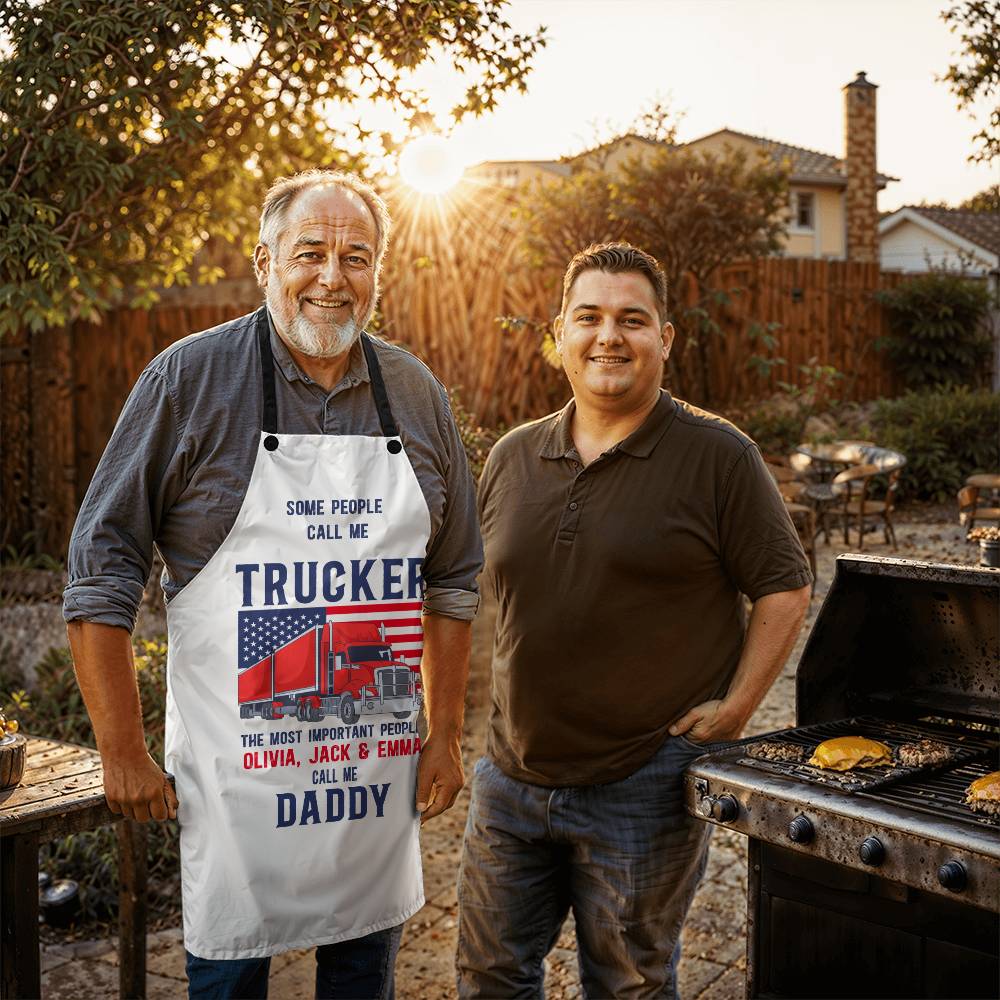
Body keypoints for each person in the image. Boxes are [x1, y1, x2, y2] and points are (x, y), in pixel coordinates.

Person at [64, 169, 483, 999]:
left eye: (356, 257)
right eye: (311, 253)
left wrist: (444, 732)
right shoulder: (187, 382)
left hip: (369, 784)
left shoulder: (415, 394)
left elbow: (454, 575)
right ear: (264, 263)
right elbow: (102, 563)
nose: (333, 278)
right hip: (238, 786)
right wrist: (122, 750)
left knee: (364, 974)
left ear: (378, 274)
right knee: (227, 980)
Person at [456, 242, 811, 999]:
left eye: (631, 319)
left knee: (628, 985)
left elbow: (785, 586)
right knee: (489, 978)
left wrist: (739, 705)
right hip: (510, 778)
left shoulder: (718, 456)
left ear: (666, 339)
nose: (608, 336)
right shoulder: (514, 457)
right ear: (558, 335)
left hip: (642, 783)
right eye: (588, 317)